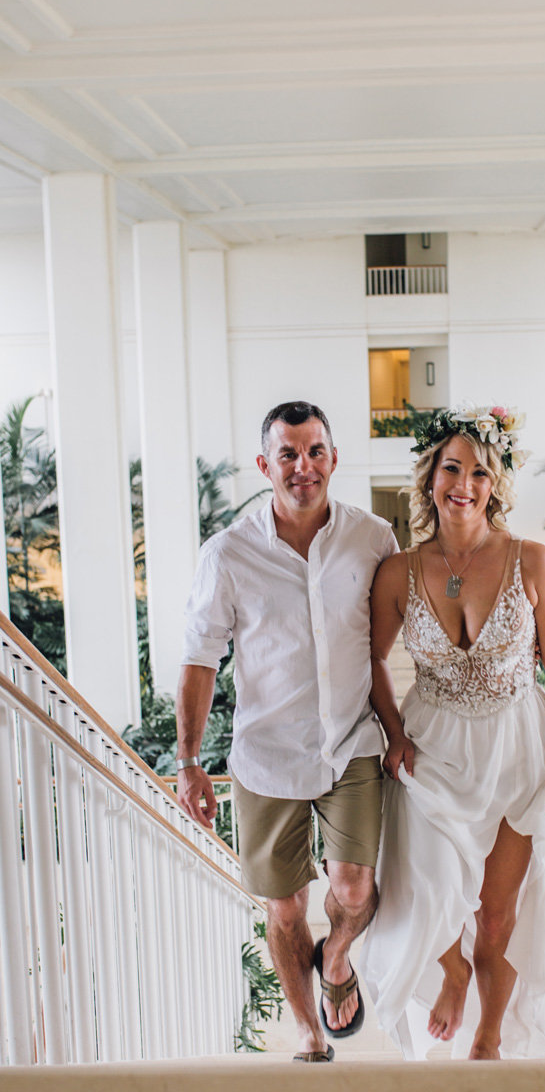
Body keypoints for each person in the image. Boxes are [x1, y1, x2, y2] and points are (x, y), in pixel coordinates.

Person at [361, 403, 545, 1061]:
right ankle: (452, 971)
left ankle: (489, 1037)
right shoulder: (397, 572)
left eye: (479, 472)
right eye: (451, 469)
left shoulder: (534, 562)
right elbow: (373, 660)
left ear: (496, 484)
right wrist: (394, 733)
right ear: (430, 478)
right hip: (433, 747)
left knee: (496, 917)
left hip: (519, 747)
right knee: (429, 891)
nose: (463, 484)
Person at [176, 400, 397, 1063]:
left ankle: (336, 960)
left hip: (351, 744)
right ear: (264, 464)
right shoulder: (228, 554)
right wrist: (188, 761)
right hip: (267, 757)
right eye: (289, 454)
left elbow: (393, 645)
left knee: (355, 890)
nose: (304, 467)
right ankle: (308, 1032)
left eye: (316, 451)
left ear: (333, 456)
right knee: (285, 907)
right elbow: (198, 658)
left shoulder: (374, 539)